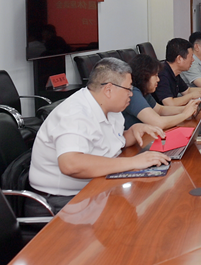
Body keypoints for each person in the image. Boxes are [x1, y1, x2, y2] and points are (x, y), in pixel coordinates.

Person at [28, 58, 170, 214]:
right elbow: (71, 164)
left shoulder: (110, 108)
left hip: (96, 186)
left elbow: (111, 143)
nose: (131, 94)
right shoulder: (75, 113)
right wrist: (133, 162)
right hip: (62, 201)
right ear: (108, 90)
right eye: (128, 89)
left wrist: (133, 131)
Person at [123, 54, 199, 130]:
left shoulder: (143, 91)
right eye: (155, 75)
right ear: (145, 76)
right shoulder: (133, 94)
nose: (158, 79)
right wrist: (185, 114)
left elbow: (160, 110)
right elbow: (159, 123)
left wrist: (186, 108)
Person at [154, 38, 201, 106]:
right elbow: (169, 103)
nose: (193, 60)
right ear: (179, 59)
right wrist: (191, 96)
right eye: (191, 56)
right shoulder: (162, 74)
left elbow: (187, 91)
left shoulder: (175, 72)